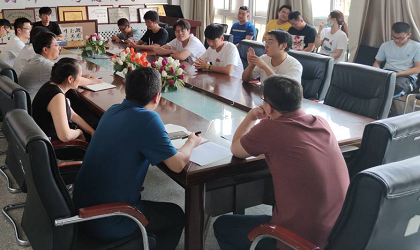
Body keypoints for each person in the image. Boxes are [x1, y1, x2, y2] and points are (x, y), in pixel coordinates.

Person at [215, 75, 349, 250]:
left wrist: (251, 116)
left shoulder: (270, 128)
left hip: (298, 242)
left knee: (223, 226)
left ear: (268, 108)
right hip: (337, 234)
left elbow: (236, 149)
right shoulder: (321, 122)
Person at [73, 67, 202, 249]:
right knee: (175, 215)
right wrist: (191, 142)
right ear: (157, 97)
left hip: (81, 209)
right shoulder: (148, 119)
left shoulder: (112, 110)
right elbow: (178, 164)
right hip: (110, 219)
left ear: (126, 90)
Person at [17, 31, 100, 100]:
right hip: (35, 109)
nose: (59, 48)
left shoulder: (38, 60)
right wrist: (93, 81)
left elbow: (68, 76)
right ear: (45, 49)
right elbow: (72, 80)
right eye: (56, 45)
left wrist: (82, 76)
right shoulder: (44, 65)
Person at [32, 58, 95, 142]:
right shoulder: (57, 96)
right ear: (70, 79)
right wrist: (79, 132)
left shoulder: (50, 86)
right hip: (52, 144)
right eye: (80, 76)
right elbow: (65, 136)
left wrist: (91, 131)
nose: (81, 79)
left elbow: (73, 115)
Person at [374, 22, 420, 116]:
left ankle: (382, 113)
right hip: (386, 73)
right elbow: (377, 62)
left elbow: (417, 69)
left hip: (406, 76)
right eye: (394, 37)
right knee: (368, 84)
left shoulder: (416, 46)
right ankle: (380, 112)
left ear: (408, 35)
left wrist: (396, 74)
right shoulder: (385, 45)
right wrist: (377, 70)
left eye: (401, 38)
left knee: (392, 89)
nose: (397, 40)